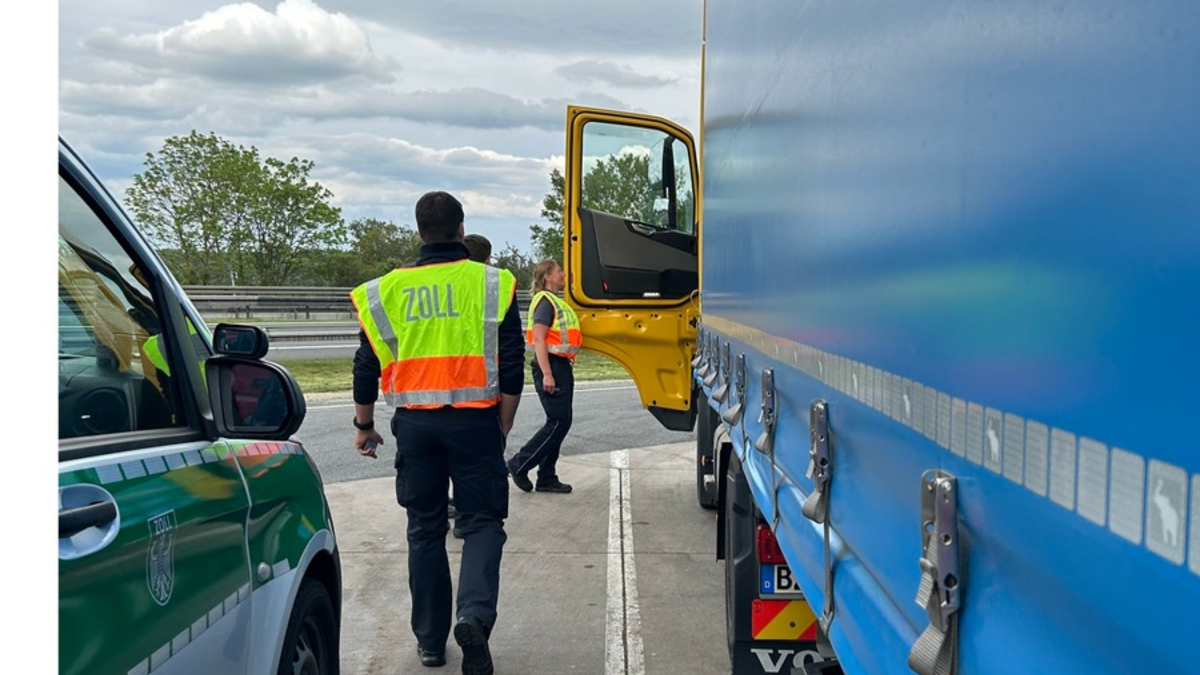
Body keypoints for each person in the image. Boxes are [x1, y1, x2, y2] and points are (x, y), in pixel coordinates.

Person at [350, 191, 523, 674]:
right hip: (477, 421)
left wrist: (364, 425)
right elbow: (513, 365)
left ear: (419, 231)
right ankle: (473, 617)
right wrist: (503, 423)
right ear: (461, 229)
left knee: (424, 528)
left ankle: (430, 642)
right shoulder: (493, 283)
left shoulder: (382, 290)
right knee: (484, 522)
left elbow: (366, 366)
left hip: (415, 427)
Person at [506, 259, 582, 494]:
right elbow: (539, 339)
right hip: (551, 366)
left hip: (561, 364)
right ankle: (519, 464)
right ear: (548, 276)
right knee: (558, 421)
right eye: (559, 271)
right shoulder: (546, 303)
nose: (563, 274)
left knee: (561, 421)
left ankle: (547, 477)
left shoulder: (555, 302)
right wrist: (548, 373)